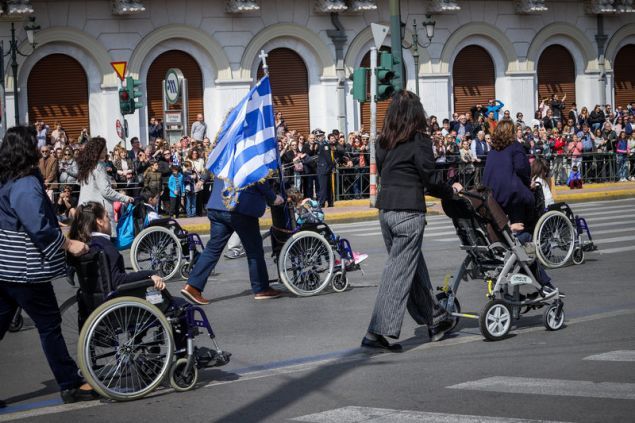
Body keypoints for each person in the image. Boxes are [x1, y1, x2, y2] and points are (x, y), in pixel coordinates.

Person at [0, 125, 98, 406]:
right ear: (25, 148)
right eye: (35, 143)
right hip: (24, 270)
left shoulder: (6, 178)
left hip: (4, 267)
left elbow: (21, 216)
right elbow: (35, 224)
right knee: (49, 325)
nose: (39, 147)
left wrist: (56, 221)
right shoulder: (24, 182)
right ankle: (71, 383)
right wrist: (68, 244)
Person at [362, 90, 463, 353]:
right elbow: (429, 178)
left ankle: (436, 319)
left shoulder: (382, 142)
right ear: (416, 113)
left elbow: (385, 172)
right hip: (408, 212)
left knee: (413, 269)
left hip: (387, 212)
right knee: (398, 273)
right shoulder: (420, 141)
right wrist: (450, 190)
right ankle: (377, 332)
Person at [482, 120, 560, 294]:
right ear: (511, 133)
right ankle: (542, 280)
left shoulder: (493, 150)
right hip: (514, 195)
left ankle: (536, 275)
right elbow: (522, 169)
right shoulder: (515, 147)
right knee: (526, 233)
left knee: (516, 239)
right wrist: (529, 184)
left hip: (494, 197)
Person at [181, 178, 285, 305]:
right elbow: (258, 178)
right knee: (254, 251)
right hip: (240, 207)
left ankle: (193, 286)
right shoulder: (249, 157)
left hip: (218, 205)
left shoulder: (225, 157)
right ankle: (261, 288)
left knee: (212, 249)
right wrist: (273, 197)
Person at [69, 202, 165, 291]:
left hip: (94, 301)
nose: (110, 219)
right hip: (118, 302)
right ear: (99, 222)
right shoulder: (105, 246)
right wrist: (149, 274)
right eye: (107, 216)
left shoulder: (83, 245)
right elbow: (118, 280)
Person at [286, 187, 367, 265]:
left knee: (325, 239)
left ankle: (333, 261)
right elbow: (319, 217)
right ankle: (350, 257)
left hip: (303, 236)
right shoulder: (307, 204)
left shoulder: (293, 210)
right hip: (314, 234)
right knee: (331, 238)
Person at [77, 137, 134, 231]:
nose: (107, 150)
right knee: (105, 242)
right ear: (98, 150)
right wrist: (125, 198)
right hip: (98, 211)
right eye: (104, 148)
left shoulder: (87, 166)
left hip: (84, 208)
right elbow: (106, 191)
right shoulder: (99, 166)